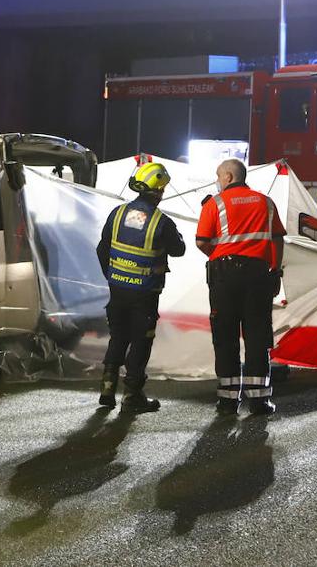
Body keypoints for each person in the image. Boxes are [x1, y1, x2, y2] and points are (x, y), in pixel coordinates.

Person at [196, 159, 285, 417]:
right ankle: (259, 402)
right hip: (258, 275)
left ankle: (227, 401)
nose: (217, 180)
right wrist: (275, 270)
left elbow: (202, 241)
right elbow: (278, 239)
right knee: (257, 336)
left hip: (224, 277)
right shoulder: (266, 202)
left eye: (218, 175)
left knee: (225, 337)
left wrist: (220, 255)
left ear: (228, 176)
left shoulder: (216, 204)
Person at [95, 162, 185, 412]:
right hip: (144, 294)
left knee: (118, 336)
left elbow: (102, 248)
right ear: (158, 191)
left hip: (117, 291)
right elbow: (179, 250)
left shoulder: (118, 213)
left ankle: (107, 388)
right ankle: (132, 396)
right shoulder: (161, 222)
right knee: (140, 341)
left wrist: (112, 276)